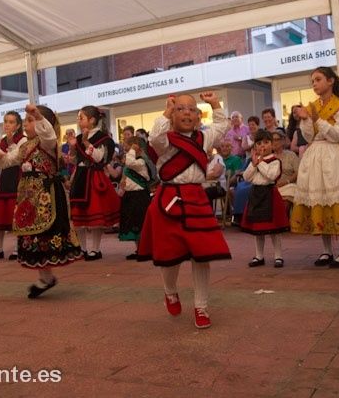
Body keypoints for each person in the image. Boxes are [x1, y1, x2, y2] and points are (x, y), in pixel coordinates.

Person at [137, 91, 231, 330]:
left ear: (198, 116)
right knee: (170, 256)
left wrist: (215, 104)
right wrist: (166, 110)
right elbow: (155, 137)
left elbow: (222, 126)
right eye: (180, 109)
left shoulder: (204, 137)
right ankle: (170, 291)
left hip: (196, 198)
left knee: (202, 255)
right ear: (172, 114)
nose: (186, 113)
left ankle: (201, 307)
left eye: (191, 109)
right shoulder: (165, 140)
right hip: (169, 199)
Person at [0, 104, 82, 298]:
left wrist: (39, 116)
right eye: (26, 120)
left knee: (43, 235)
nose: (26, 124)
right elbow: (8, 161)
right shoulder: (25, 145)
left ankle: (46, 278)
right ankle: (46, 277)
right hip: (29, 197)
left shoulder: (47, 142)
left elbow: (48, 134)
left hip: (46, 196)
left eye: (30, 121)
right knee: (33, 235)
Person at [290, 67, 339, 268]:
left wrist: (316, 118)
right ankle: (326, 251)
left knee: (338, 201)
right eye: (312, 81)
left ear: (331, 80)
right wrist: (305, 120)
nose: (314, 84)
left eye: (318, 79)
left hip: (334, 155)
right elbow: (308, 136)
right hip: (315, 155)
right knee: (319, 201)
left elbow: (338, 135)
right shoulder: (312, 106)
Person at [69, 106, 121, 261]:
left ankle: (95, 249)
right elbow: (77, 160)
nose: (78, 121)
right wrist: (72, 151)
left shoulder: (103, 138)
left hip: (94, 177)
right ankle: (82, 248)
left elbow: (99, 159)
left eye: (81, 118)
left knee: (95, 216)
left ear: (92, 120)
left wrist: (85, 142)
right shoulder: (79, 138)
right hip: (80, 177)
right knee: (78, 216)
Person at [241, 130, 290, 268]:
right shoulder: (254, 161)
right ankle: (259, 256)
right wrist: (253, 164)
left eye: (266, 142)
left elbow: (271, 176)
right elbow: (246, 177)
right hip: (256, 194)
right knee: (258, 229)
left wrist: (260, 163)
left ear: (272, 145)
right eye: (259, 143)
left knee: (274, 229)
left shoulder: (275, 161)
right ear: (255, 146)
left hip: (269, 195)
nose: (263, 145)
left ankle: (278, 256)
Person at [0, 111, 26, 261]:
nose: (7, 125)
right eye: (5, 121)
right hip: (4, 179)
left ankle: (17, 248)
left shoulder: (23, 140)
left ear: (18, 125)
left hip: (18, 177)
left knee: (15, 214)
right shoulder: (2, 141)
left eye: (11, 122)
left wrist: (1, 153)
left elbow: (16, 159)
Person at [118, 136, 153, 260]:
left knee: (141, 223)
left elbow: (130, 162)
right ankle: (139, 249)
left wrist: (132, 150)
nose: (125, 147)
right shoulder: (131, 160)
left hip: (139, 196)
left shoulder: (141, 161)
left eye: (127, 145)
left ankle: (146, 250)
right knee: (133, 224)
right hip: (130, 195)